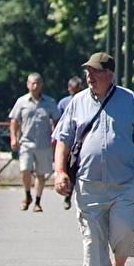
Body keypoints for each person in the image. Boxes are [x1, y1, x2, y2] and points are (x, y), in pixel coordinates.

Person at [52, 53, 134, 266]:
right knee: (92, 235)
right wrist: (60, 172)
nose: (90, 77)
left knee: (126, 230)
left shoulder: (128, 100)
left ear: (110, 76)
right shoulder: (78, 102)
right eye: (88, 72)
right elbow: (63, 139)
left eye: (95, 72)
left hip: (124, 182)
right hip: (89, 183)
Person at [8, 73, 59, 212]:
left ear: (41, 85)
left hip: (43, 143)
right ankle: (27, 195)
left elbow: (56, 120)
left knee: (41, 174)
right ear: (28, 85)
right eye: (32, 83)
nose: (35, 86)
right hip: (26, 142)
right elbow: (14, 120)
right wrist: (13, 137)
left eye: (37, 83)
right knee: (25, 169)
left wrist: (55, 136)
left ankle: (37, 201)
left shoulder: (49, 102)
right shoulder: (22, 102)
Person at [55, 77, 86, 210]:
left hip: (81, 142)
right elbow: (58, 121)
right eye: (73, 92)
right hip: (68, 141)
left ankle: (71, 193)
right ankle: (67, 193)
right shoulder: (64, 103)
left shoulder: (87, 102)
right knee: (68, 167)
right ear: (69, 90)